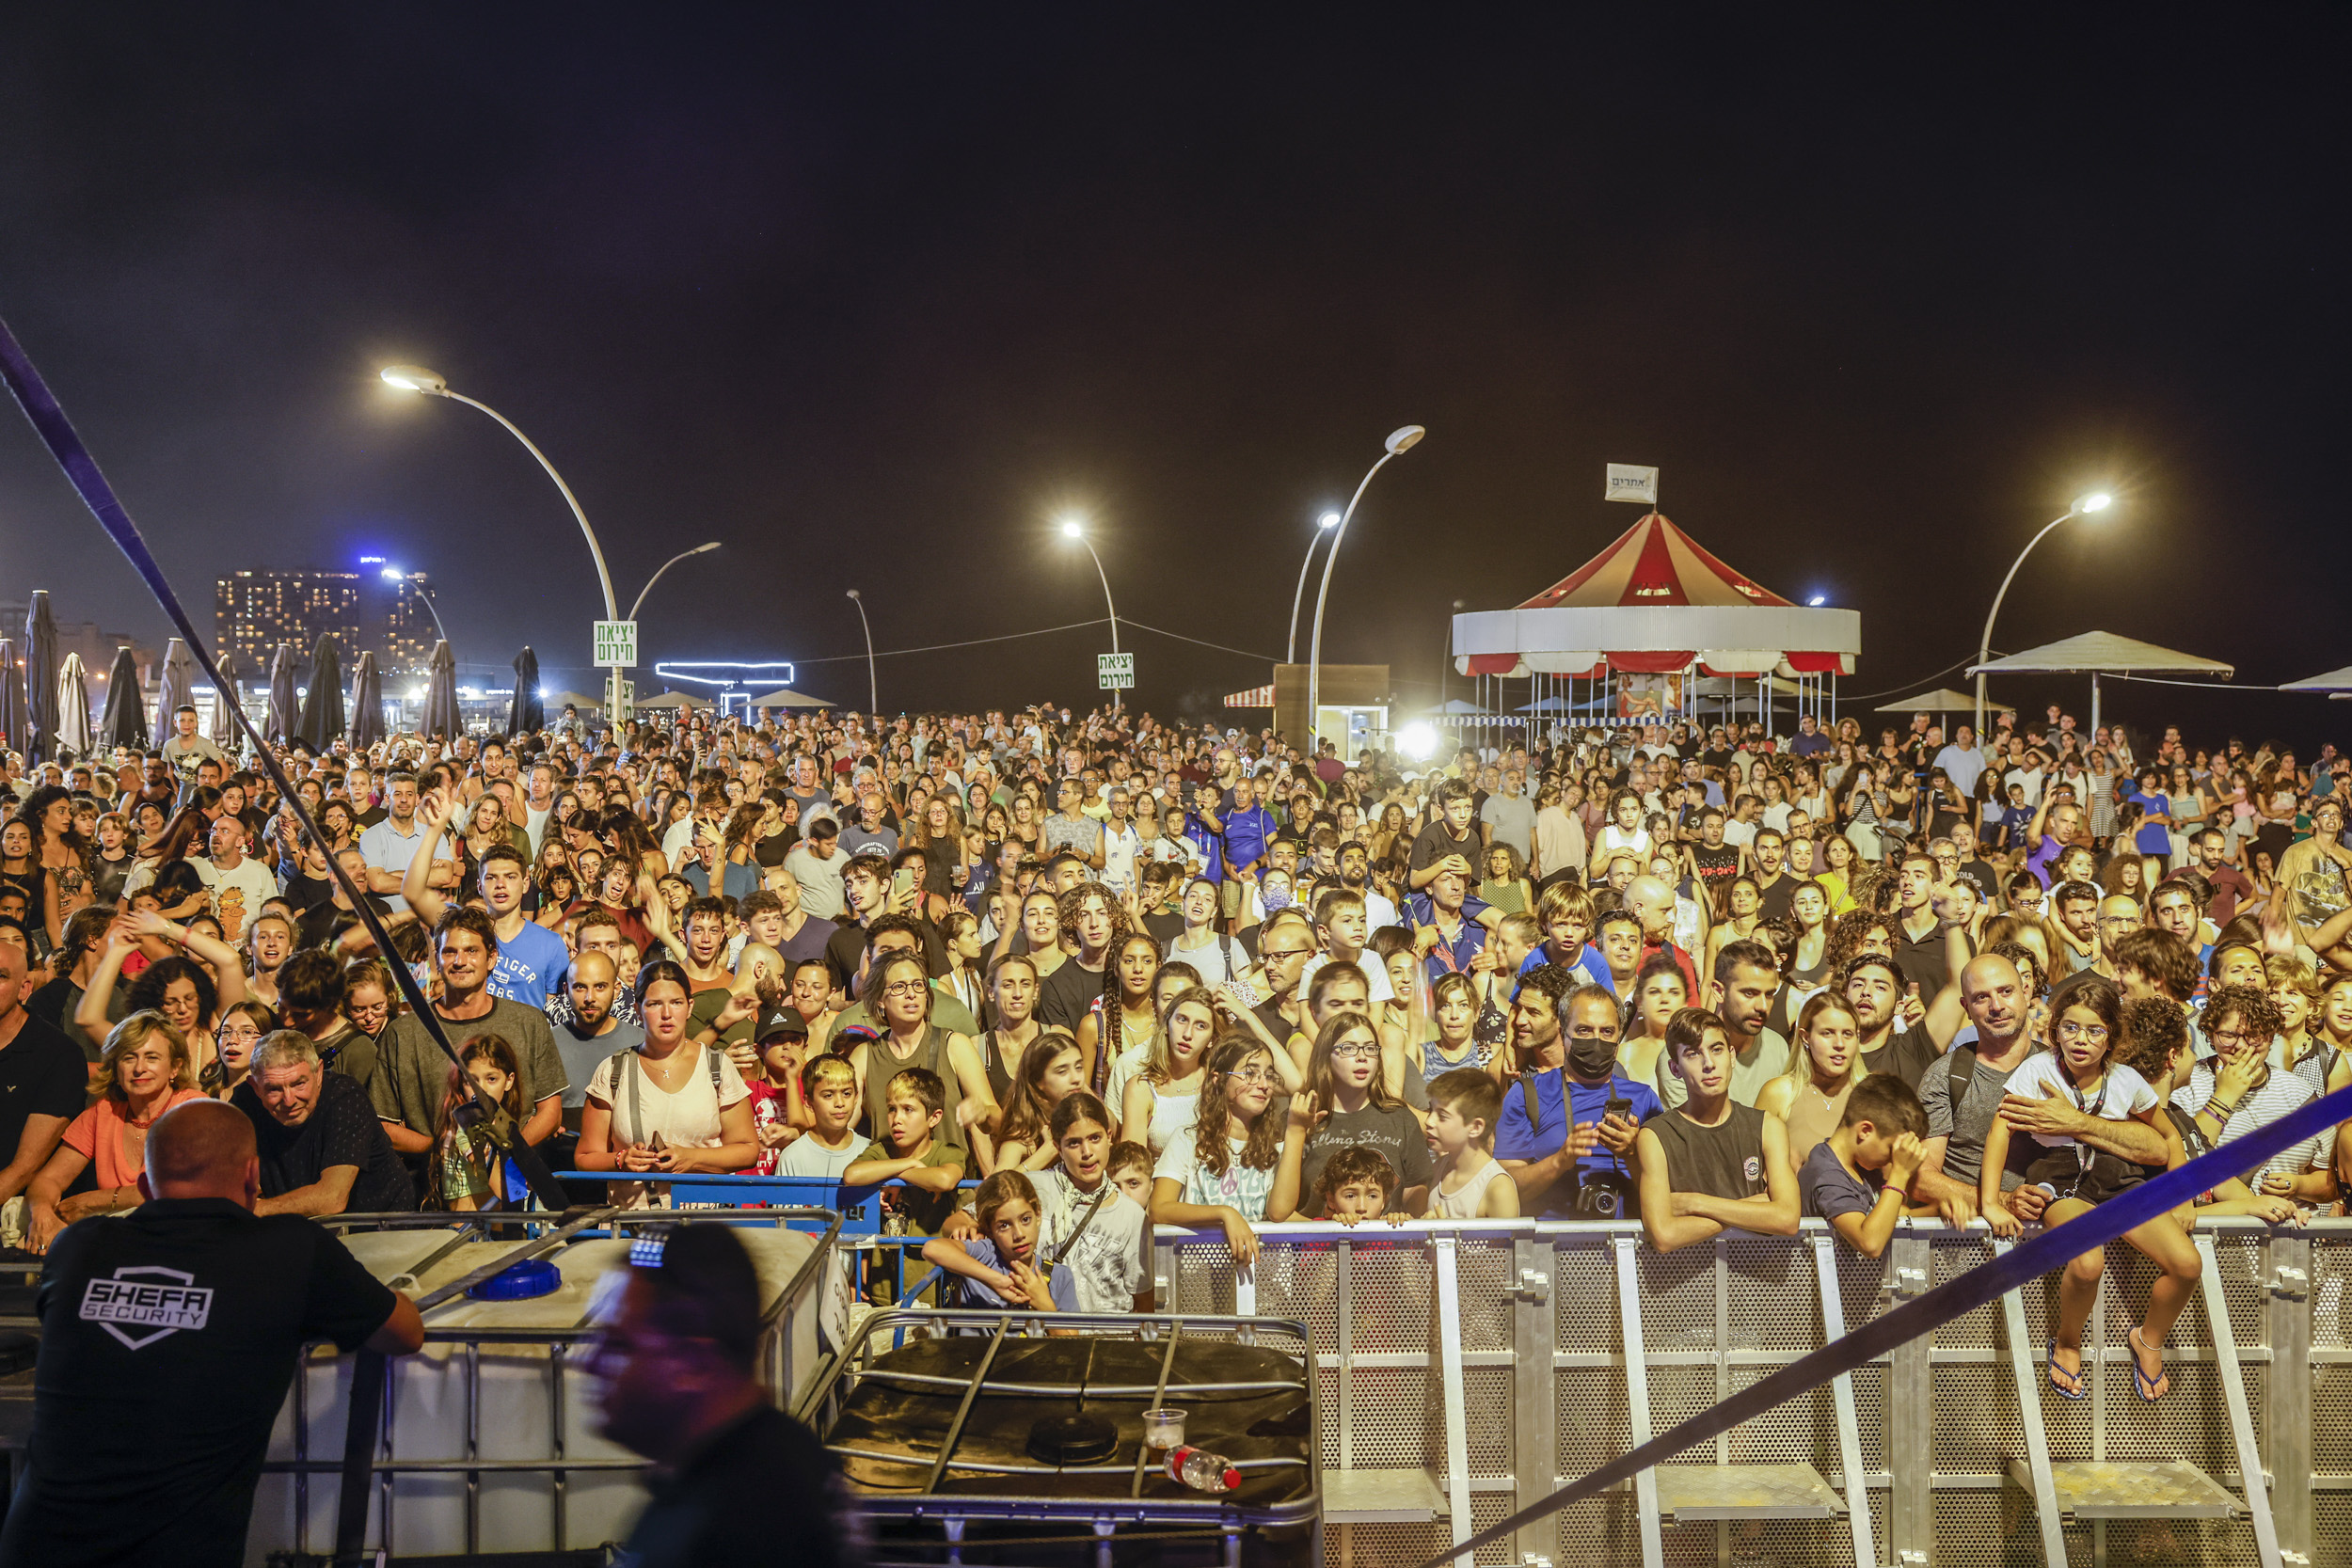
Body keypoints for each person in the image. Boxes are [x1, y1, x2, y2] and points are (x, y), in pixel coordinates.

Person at [0, 1099, 422, 1568]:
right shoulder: (291, 1249)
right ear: (252, 1177)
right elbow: (404, 1333)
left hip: (33, 1547)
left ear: (143, 1184)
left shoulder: (79, 1246)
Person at [1979, 976, 2201, 1402]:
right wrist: (1990, 1201)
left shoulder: (2127, 1079)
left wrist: (2183, 1196)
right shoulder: (2038, 1069)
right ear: (2055, 1029)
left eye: (2095, 1030)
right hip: (2062, 1183)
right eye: (2070, 1027)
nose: (2080, 1040)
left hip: (2120, 1184)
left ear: (2112, 1035)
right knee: (2086, 1262)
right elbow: (2000, 1132)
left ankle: (2148, 1340)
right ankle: (2067, 1340)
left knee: (2187, 1264)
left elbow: (2170, 1138)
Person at [588, 1223, 853, 1568]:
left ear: (693, 1364)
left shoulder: (749, 1521)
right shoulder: (776, 1458)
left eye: (620, 1346)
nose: (592, 1363)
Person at [372, 907, 568, 1162]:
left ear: (492, 958)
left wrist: (506, 1153)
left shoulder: (529, 1022)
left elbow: (551, 1113)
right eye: (450, 951)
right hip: (433, 1189)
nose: (460, 961)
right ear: (437, 958)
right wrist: (443, 1151)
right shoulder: (403, 1034)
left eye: (471, 951)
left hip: (511, 1183)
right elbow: (382, 1125)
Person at [575, 960, 759, 1205]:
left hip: (703, 1222)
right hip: (632, 1226)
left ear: (689, 1006)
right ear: (638, 1010)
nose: (666, 1014)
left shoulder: (717, 1066)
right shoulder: (612, 1070)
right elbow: (585, 1156)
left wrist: (691, 1158)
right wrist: (621, 1160)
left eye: (676, 1003)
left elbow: (747, 1149)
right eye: (654, 1004)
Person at [24, 1011, 209, 1253]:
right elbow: (49, 1179)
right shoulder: (104, 1110)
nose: (139, 1068)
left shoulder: (195, 1108)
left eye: (151, 1057)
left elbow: (177, 1191)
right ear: (115, 1067)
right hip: (111, 1234)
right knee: (22, 1213)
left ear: (175, 1068)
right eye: (129, 1058)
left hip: (176, 1238)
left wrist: (95, 1201)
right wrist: (42, 1214)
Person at [1633, 1007, 1800, 1254]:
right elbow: (1664, 1236)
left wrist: (1693, 1202)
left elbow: (1787, 1218)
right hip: (1683, 1283)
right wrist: (1756, 1209)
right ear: (1675, 1068)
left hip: (1758, 1282)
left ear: (1732, 1056)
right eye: (1692, 1054)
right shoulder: (1655, 1135)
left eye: (1717, 1049)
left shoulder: (1767, 1126)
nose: (1709, 1064)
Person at [1493, 974, 1650, 1219]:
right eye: (1584, 1030)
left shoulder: (1644, 1099)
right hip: (1551, 1248)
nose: (1596, 1040)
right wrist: (1560, 1161)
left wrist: (1631, 1156)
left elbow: (1668, 1197)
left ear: (1619, 1037)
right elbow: (1503, 1192)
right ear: (1563, 1032)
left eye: (1607, 1031)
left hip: (1627, 1246)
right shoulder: (1527, 1095)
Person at [1271, 1010, 1434, 1217]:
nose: (1362, 1057)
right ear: (1326, 1055)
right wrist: (1328, 1229)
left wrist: (1405, 1219)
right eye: (1349, 1048)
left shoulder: (1399, 1116)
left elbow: (1416, 1187)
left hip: (1387, 1246)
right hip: (1316, 1247)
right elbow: (1279, 1213)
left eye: (1369, 1048)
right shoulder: (1300, 1117)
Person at [1151, 1035, 1285, 1266]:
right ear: (1218, 1079)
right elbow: (1159, 1209)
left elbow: (1281, 1214)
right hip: (1199, 1281)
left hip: (1262, 1282)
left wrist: (1338, 1222)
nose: (1263, 1084)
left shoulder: (1276, 1148)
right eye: (1250, 1073)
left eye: (1269, 1075)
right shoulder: (1188, 1140)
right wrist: (1225, 1213)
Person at [1797, 1073, 1932, 1258]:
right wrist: (1900, 1173)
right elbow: (1870, 1243)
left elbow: (1891, 1215)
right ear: (1865, 1131)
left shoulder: (1863, 1168)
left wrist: (1940, 1210)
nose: (1894, 1159)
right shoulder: (1826, 1174)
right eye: (1892, 1149)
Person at [0, 937, 87, 1222]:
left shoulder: (58, 1054)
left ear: (24, 988)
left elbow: (23, 1169)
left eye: (0, 977)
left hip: (16, 1217)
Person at [843, 1066, 968, 1234]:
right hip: (886, 1260)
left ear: (934, 1117)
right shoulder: (881, 1150)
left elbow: (945, 1180)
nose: (897, 1119)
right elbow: (852, 1175)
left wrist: (893, 1173)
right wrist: (910, 1163)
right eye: (892, 1109)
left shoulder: (947, 1152)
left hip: (928, 1258)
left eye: (908, 1110)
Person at [1422, 1068, 1518, 1218]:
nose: (1428, 1121)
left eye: (1442, 1116)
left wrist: (1448, 1236)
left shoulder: (1498, 1189)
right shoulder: (1437, 1170)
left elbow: (1507, 1242)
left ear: (1475, 1127)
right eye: (1430, 1109)